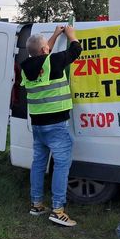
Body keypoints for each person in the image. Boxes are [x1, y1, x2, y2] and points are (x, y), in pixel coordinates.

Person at [20, 25, 81, 227]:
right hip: (55, 124)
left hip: (38, 125)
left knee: (39, 163)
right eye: (47, 46)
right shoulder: (51, 62)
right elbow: (75, 51)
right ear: (45, 50)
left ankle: (36, 204)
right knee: (62, 165)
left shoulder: (26, 66)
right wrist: (70, 35)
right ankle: (57, 210)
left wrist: (54, 35)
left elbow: (44, 56)